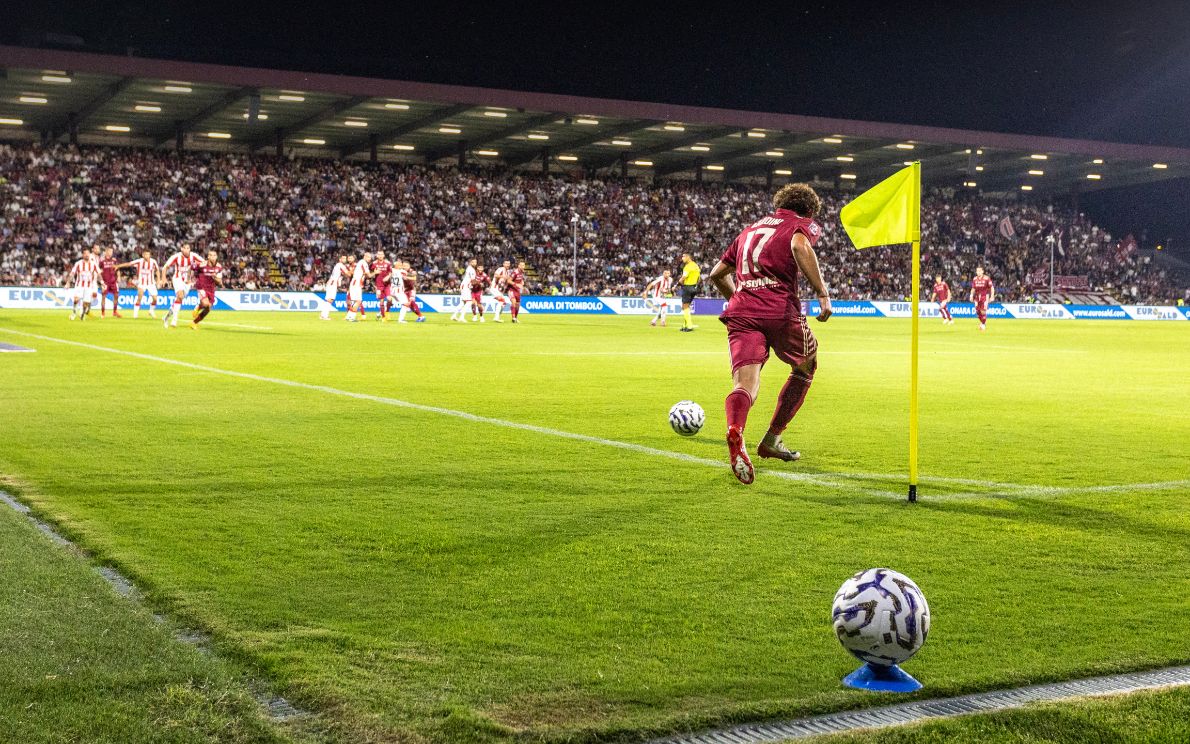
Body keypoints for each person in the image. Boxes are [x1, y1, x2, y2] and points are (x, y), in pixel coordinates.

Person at [706, 183, 832, 485]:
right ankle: (772, 438)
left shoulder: (748, 231)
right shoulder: (800, 224)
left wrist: (741, 296)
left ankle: (736, 429)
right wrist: (822, 293)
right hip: (779, 310)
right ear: (810, 209)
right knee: (806, 365)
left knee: (745, 384)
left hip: (741, 312)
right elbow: (800, 247)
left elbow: (716, 274)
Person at [162, 243, 201, 328]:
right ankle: (174, 321)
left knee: (179, 300)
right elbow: (165, 267)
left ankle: (166, 317)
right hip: (177, 278)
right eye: (185, 248)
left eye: (188, 248)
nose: (187, 250)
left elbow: (204, 262)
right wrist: (164, 279)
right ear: (181, 249)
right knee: (180, 296)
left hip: (187, 282)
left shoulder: (194, 256)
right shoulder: (176, 257)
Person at [119, 249, 161, 319]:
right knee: (139, 298)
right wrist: (118, 266)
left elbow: (157, 271)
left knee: (155, 299)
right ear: (143, 255)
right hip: (142, 283)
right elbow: (129, 264)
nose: (147, 256)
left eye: (148, 254)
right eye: (145, 254)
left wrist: (159, 280)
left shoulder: (153, 262)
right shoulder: (139, 261)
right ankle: (135, 314)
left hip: (151, 283)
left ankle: (151, 310)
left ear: (150, 255)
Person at [66, 248, 101, 321]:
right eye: (85, 253)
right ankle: (74, 312)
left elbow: (99, 273)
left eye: (88, 253)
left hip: (89, 286)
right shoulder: (78, 263)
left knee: (86, 303)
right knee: (76, 299)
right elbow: (72, 273)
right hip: (79, 285)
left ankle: (82, 314)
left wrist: (102, 282)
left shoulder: (93, 264)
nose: (87, 255)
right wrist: (68, 282)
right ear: (82, 255)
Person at [191, 250, 223, 329]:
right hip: (201, 286)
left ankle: (194, 323)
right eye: (211, 255)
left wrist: (214, 277)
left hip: (211, 289)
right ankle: (198, 307)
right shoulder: (201, 265)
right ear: (208, 257)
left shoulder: (219, 267)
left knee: (208, 309)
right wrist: (190, 279)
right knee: (205, 304)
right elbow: (192, 267)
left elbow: (219, 281)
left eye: (214, 255)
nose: (213, 257)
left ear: (217, 257)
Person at [346, 252, 372, 322]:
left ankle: (349, 316)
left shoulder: (360, 262)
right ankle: (352, 318)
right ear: (365, 256)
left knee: (355, 301)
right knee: (358, 301)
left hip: (356, 283)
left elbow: (364, 274)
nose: (370, 259)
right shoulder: (364, 262)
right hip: (356, 283)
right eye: (369, 257)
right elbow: (369, 275)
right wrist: (375, 272)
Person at [677, 252, 701, 332]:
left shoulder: (687, 267)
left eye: (683, 257)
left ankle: (689, 326)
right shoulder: (696, 266)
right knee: (685, 307)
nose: (682, 258)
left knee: (685, 307)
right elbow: (699, 279)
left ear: (688, 257)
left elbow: (683, 278)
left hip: (687, 287)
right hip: (694, 288)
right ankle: (684, 325)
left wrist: (675, 286)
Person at [321, 254, 348, 320]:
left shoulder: (338, 265)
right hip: (333, 282)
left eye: (345, 258)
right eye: (343, 258)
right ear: (340, 259)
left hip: (332, 282)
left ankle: (323, 315)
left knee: (329, 299)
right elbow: (348, 273)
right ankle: (325, 316)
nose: (345, 260)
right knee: (330, 299)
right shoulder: (340, 265)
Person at [98, 246, 123, 318]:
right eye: (109, 251)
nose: (110, 253)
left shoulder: (114, 260)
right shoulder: (102, 261)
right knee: (103, 297)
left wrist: (118, 276)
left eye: (111, 252)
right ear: (106, 252)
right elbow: (98, 271)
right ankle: (103, 313)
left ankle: (115, 312)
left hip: (113, 282)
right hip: (105, 282)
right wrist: (100, 280)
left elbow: (117, 269)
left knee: (116, 296)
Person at [969, 266, 995, 331]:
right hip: (977, 297)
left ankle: (983, 325)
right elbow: (973, 288)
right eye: (977, 271)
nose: (978, 272)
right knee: (978, 312)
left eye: (980, 271)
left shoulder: (986, 278)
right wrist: (971, 295)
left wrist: (992, 296)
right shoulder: (975, 279)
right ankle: (983, 322)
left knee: (983, 311)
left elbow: (992, 287)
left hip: (984, 296)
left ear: (982, 271)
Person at [371, 250, 394, 322]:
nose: (380, 256)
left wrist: (388, 277)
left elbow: (391, 272)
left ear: (384, 255)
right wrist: (374, 272)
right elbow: (370, 273)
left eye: (381, 254)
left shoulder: (388, 263)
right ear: (377, 256)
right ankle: (383, 317)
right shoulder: (374, 263)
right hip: (379, 285)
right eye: (379, 254)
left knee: (390, 299)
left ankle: (386, 312)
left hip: (387, 285)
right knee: (381, 301)